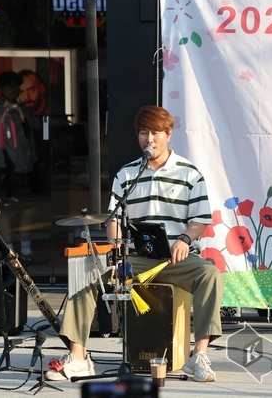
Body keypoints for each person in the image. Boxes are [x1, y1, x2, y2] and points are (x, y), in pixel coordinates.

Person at [45, 105, 223, 382]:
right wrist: (116, 244)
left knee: (210, 274)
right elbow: (113, 219)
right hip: (134, 259)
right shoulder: (127, 174)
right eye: (143, 132)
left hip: (175, 259)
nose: (149, 139)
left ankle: (198, 355)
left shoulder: (190, 173)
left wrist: (185, 239)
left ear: (168, 134)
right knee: (86, 275)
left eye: (155, 133)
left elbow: (200, 220)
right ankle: (79, 358)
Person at [0, 71, 38, 262]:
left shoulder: (23, 111)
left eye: (15, 85)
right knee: (8, 213)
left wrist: (33, 161)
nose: (12, 89)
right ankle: (8, 252)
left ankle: (26, 251)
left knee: (28, 210)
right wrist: (3, 168)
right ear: (0, 89)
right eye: (8, 86)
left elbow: (29, 140)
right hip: (8, 170)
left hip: (26, 168)